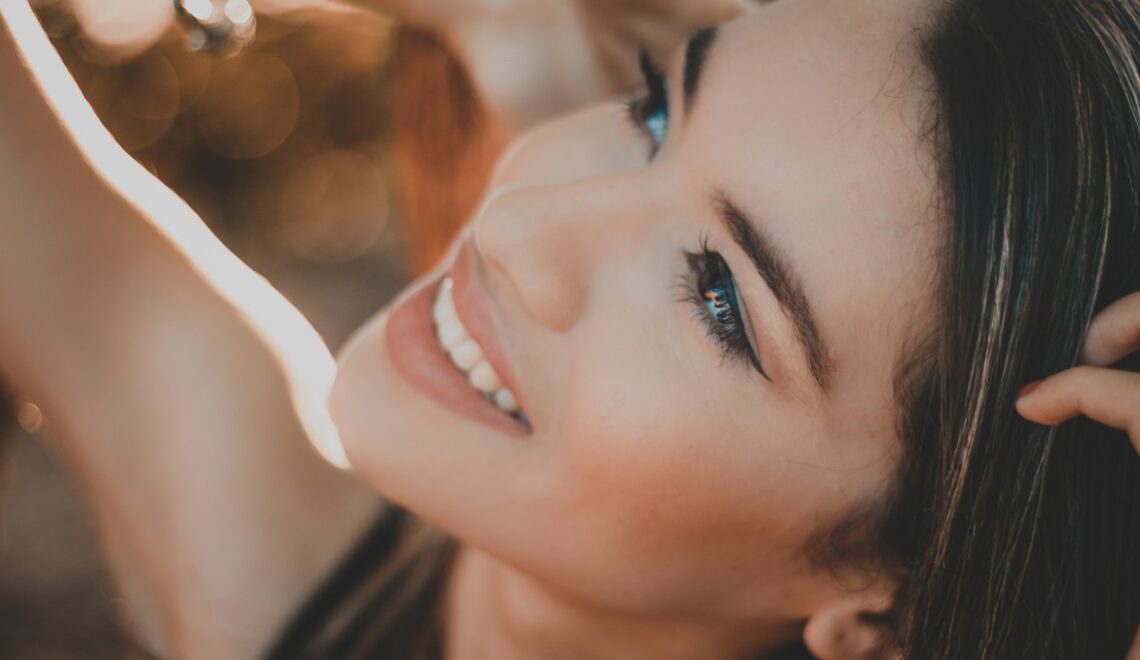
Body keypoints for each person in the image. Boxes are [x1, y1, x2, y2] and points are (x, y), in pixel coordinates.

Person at [0, 1, 1136, 659]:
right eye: (654, 111)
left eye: (722, 298)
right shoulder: (267, 562)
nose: (518, 221)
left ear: (886, 615)